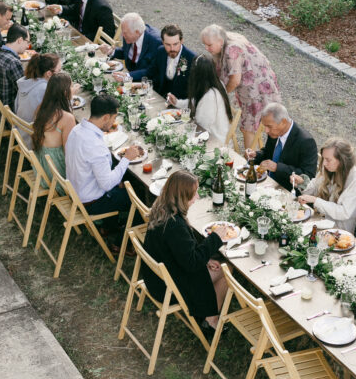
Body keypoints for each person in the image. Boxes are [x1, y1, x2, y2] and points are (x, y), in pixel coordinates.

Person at [143, 171, 232, 329]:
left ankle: (207, 312)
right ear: (182, 197)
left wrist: (206, 259)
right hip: (167, 288)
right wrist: (215, 237)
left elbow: (180, 250)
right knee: (226, 270)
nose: (197, 197)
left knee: (216, 263)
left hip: (156, 278)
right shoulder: (174, 225)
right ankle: (211, 320)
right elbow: (192, 263)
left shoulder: (162, 207)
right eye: (194, 194)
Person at [200, 24, 281, 150]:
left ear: (220, 41)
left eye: (209, 45)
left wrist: (220, 94)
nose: (206, 48)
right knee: (247, 124)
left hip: (257, 88)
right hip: (252, 83)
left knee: (247, 128)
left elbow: (235, 80)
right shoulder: (225, 38)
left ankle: (249, 160)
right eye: (204, 44)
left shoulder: (232, 49)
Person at [65, 94, 143, 220]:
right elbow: (107, 184)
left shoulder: (76, 130)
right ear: (106, 117)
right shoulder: (95, 146)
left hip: (76, 190)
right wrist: (127, 158)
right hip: (91, 202)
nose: (114, 122)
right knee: (138, 195)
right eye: (114, 118)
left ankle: (111, 223)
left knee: (123, 175)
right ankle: (125, 231)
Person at [295, 138, 356, 233]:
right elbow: (314, 187)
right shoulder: (329, 168)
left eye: (328, 160)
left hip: (340, 231)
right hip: (321, 222)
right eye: (323, 158)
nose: (324, 163)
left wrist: (316, 201)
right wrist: (302, 183)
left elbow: (344, 213)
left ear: (342, 160)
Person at [246, 102, 317, 189]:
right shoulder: (274, 132)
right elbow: (268, 153)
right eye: (265, 126)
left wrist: (277, 167)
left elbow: (308, 176)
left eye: (269, 126)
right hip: (268, 183)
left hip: (288, 190)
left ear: (283, 122)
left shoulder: (306, 141)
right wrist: (256, 155)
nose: (266, 131)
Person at [168, 55, 232, 142]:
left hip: (213, 139)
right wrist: (177, 102)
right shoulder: (215, 83)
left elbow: (201, 124)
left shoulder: (210, 96)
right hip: (206, 133)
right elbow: (195, 102)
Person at [31, 71, 76, 179]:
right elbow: (69, 152)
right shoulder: (67, 118)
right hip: (56, 173)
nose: (73, 90)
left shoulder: (41, 107)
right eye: (71, 87)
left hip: (43, 166)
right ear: (65, 92)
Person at [14, 53, 62, 143]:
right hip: (32, 139)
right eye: (59, 71)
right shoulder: (44, 89)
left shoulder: (28, 81)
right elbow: (58, 112)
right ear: (49, 74)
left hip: (21, 132)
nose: (61, 73)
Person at [0, 23, 31, 106]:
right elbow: (24, 91)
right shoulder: (13, 62)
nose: (27, 46)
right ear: (20, 40)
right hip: (9, 112)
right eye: (27, 42)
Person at [111, 13, 161, 82]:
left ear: (137, 32)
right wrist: (112, 52)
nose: (122, 35)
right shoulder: (129, 35)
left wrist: (128, 76)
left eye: (125, 33)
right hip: (129, 74)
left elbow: (152, 71)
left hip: (146, 82)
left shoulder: (156, 43)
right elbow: (126, 52)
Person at [151, 24, 196, 100]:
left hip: (181, 105)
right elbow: (151, 73)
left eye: (175, 44)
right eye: (168, 44)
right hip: (160, 98)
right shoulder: (160, 51)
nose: (172, 49)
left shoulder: (191, 58)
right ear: (163, 42)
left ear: (181, 41)